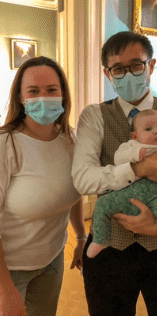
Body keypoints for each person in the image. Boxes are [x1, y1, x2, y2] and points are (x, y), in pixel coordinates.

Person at [72, 31, 157, 316]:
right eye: (118, 69)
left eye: (136, 65)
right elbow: (83, 177)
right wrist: (137, 168)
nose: (128, 74)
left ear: (151, 65)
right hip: (108, 249)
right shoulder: (93, 116)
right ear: (107, 74)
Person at [0, 56, 86, 316]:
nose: (44, 97)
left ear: (63, 94)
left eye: (51, 90)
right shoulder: (6, 144)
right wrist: (5, 292)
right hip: (9, 267)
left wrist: (81, 236)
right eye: (33, 91)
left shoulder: (72, 139)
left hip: (52, 259)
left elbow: (74, 189)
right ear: (21, 99)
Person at [87, 109, 157, 258]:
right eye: (148, 129)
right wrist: (134, 155)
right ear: (135, 136)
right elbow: (118, 158)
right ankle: (101, 239)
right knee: (102, 203)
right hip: (127, 195)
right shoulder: (132, 146)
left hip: (156, 198)